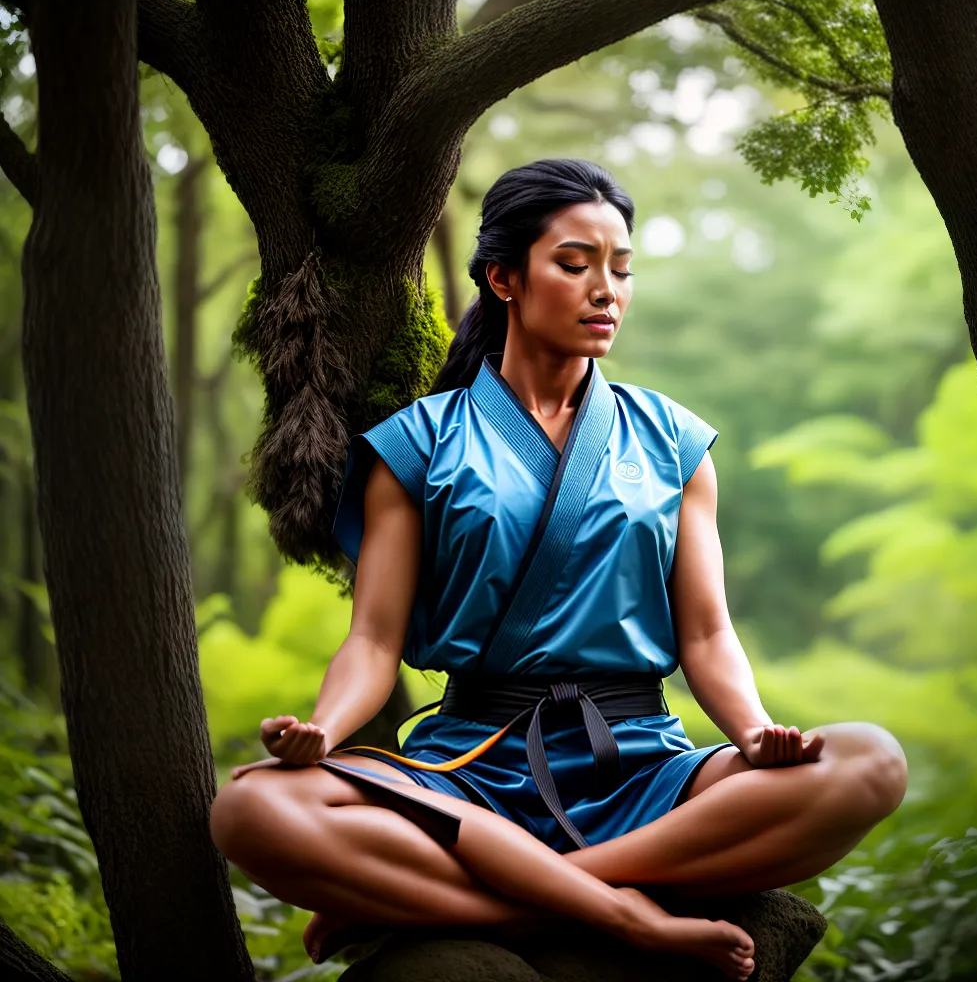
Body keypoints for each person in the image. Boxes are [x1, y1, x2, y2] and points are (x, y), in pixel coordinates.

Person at [209, 159, 908, 981]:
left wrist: (753, 732)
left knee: (868, 762)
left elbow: (709, 633)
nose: (605, 289)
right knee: (253, 807)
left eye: (621, 269)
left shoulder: (673, 443)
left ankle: (519, 895)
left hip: (643, 770)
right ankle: (620, 911)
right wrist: (325, 730)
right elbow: (372, 640)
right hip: (470, 771)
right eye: (575, 265)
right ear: (504, 278)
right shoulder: (417, 444)